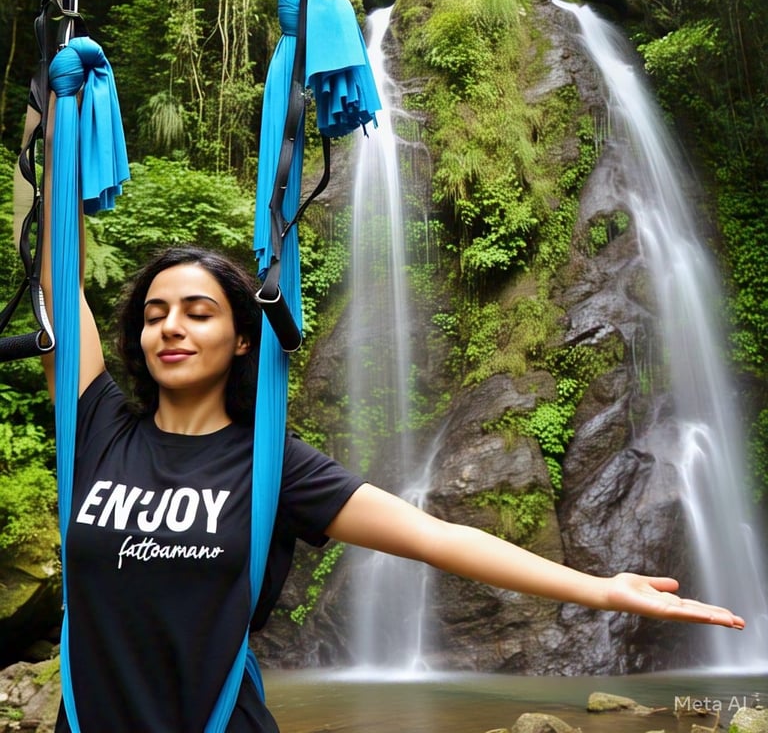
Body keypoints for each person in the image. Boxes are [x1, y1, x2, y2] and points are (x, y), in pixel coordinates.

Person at [39, 241, 744, 733]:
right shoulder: (97, 428)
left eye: (198, 312)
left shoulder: (271, 465)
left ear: (242, 338)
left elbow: (435, 537)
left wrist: (597, 588)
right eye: (155, 314)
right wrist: (47, 118)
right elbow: (53, 270)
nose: (171, 327)